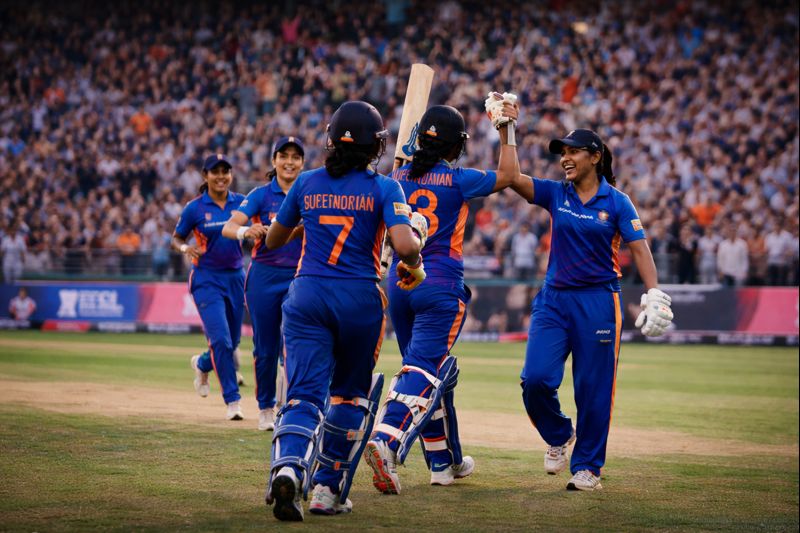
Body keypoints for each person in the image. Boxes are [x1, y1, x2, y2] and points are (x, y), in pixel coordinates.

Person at [263, 101, 426, 521]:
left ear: (331, 139)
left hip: (308, 296)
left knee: (302, 394)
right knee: (349, 395)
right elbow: (405, 248)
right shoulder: (386, 187)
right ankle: (326, 490)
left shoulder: (305, 183)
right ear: (376, 146)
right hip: (360, 298)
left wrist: (306, 222)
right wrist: (416, 245)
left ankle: (288, 467)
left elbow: (273, 242)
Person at [363, 101, 519, 494]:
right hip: (441, 285)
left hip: (399, 285)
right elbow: (510, 175)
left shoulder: (395, 176)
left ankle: (443, 463)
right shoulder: (459, 179)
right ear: (455, 146)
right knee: (423, 372)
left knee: (432, 372)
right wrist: (506, 130)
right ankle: (388, 438)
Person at [508, 127, 674, 491]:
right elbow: (511, 178)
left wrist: (654, 291)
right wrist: (507, 131)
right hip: (553, 301)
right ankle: (559, 433)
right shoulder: (556, 193)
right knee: (535, 379)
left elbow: (639, 248)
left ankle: (588, 468)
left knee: (594, 389)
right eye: (561, 152)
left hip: (599, 302)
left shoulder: (617, 202)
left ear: (595, 156)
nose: (564, 158)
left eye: (573, 151)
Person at [222, 136, 306, 431]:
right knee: (266, 347)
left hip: (301, 276)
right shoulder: (260, 195)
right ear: (274, 161)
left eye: (296, 157)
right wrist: (248, 229)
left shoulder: (309, 192)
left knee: (298, 344)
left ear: (302, 163)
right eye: (284, 155)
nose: (290, 161)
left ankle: (294, 406)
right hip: (264, 276)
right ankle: (266, 408)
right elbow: (228, 228)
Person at [172, 154, 248, 421]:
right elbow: (176, 237)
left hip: (236, 277)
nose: (221, 176)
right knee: (221, 341)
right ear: (205, 176)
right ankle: (233, 401)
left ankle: (202, 364)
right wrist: (185, 248)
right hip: (206, 279)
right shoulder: (195, 208)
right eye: (215, 172)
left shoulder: (241, 202)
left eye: (225, 171)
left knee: (232, 341)